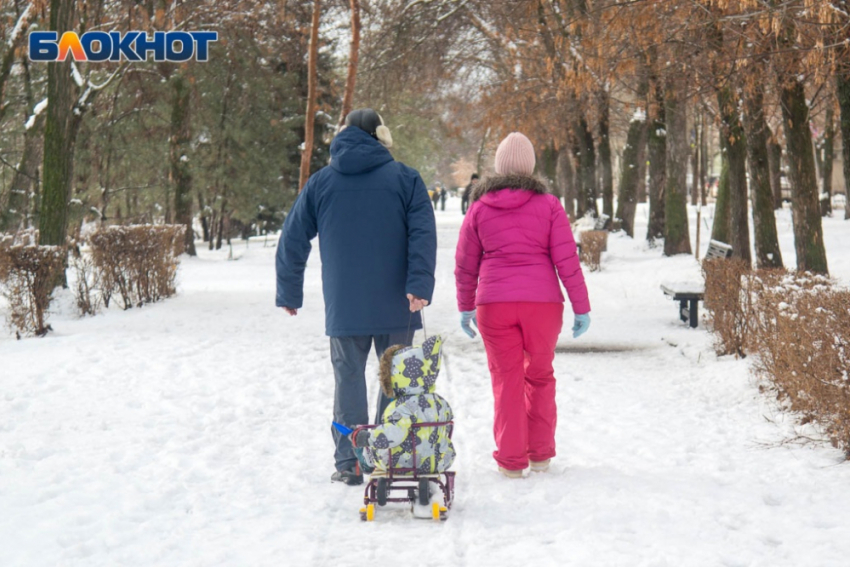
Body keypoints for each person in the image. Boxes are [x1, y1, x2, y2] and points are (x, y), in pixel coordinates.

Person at [276, 108, 436, 486]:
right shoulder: (406, 179)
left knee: (348, 379)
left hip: (344, 305)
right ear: (380, 137)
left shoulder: (321, 182)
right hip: (399, 303)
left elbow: (293, 237)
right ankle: (389, 453)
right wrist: (419, 285)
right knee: (395, 380)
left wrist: (289, 290)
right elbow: (422, 235)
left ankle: (350, 461)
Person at [454, 132, 591, 479]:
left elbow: (466, 264)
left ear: (498, 167)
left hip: (494, 305)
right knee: (541, 377)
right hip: (542, 305)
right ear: (531, 167)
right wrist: (581, 306)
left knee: (507, 380)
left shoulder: (479, 207)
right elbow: (567, 260)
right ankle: (540, 456)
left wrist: (466, 306)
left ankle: (511, 462)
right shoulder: (548, 205)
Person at [349, 335, 455, 475]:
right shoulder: (441, 403)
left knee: (377, 443)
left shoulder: (402, 407)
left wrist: (368, 438)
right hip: (438, 461)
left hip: (402, 463)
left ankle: (366, 459)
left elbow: (393, 433)